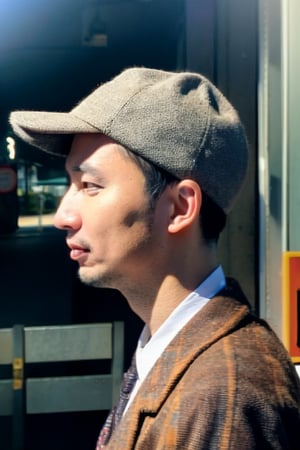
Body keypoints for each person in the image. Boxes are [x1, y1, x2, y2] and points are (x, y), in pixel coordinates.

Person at [10, 67, 300, 450]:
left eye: (90, 186)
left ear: (180, 207)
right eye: (70, 184)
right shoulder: (171, 345)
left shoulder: (225, 396)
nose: (64, 215)